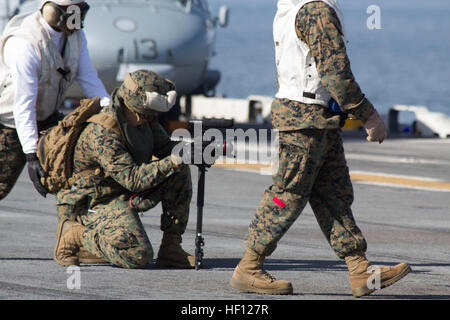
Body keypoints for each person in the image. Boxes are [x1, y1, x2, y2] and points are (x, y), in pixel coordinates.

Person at [229, 0, 411, 298]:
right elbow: (335, 71)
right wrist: (368, 114)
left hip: (316, 116)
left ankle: (358, 268)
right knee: (286, 194)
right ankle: (249, 267)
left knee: (333, 194)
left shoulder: (294, 6)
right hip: (306, 119)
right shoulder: (316, 10)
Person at [54, 70, 195, 269]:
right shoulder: (102, 132)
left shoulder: (143, 118)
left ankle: (171, 248)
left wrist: (193, 150)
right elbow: (132, 179)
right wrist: (174, 160)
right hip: (94, 202)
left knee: (179, 171)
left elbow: (166, 149)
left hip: (121, 192)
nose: (149, 119)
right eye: (145, 115)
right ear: (129, 104)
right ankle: (74, 235)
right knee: (138, 254)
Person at [0, 0, 110, 200]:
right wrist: (32, 154)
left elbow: (88, 78)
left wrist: (110, 110)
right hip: (10, 124)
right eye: (70, 12)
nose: (76, 18)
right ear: (52, 10)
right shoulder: (26, 43)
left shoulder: (76, 36)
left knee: (79, 168)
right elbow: (24, 104)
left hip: (46, 117)